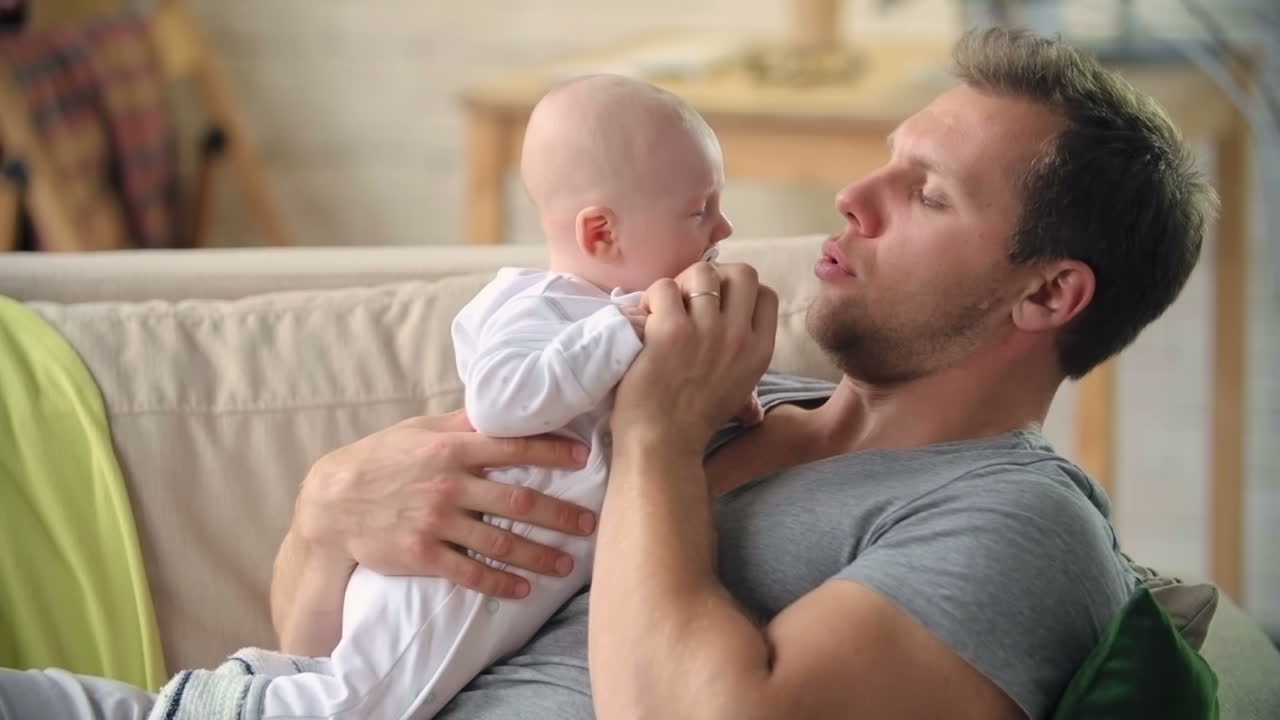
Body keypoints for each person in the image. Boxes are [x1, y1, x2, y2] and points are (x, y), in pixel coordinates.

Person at [0, 27, 1217, 720]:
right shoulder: (739, 395)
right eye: (885, 161)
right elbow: (328, 639)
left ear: (1047, 294)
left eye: (927, 191)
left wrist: (650, 439)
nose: (853, 196)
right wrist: (330, 513)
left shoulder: (1013, 520)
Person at [142, 74, 752, 720]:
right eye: (700, 211)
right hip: (452, 577)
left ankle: (267, 685)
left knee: (372, 689)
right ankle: (212, 704)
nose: (724, 227)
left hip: (495, 585)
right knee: (364, 704)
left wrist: (724, 393)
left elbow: (659, 418)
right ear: (601, 233)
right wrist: (617, 329)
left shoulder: (621, 322)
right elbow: (500, 401)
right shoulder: (540, 307)